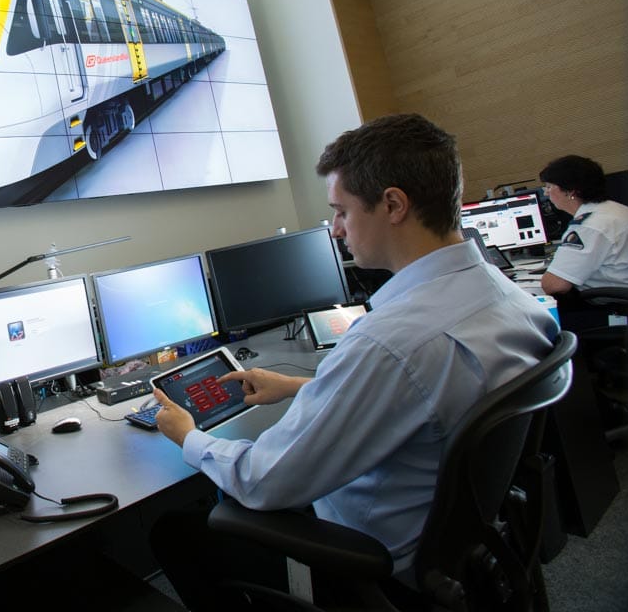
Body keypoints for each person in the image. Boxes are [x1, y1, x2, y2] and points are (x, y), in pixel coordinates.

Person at [149, 113, 559, 609]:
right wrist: (302, 387)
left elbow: (263, 480)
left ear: (392, 204)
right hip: (461, 548)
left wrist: (188, 436)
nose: (337, 230)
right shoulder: (509, 298)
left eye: (341, 211)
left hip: (375, 560)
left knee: (178, 529)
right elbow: (430, 396)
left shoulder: (389, 342)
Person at [538, 154, 628, 296]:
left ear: (570, 191)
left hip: (611, 304)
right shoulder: (617, 210)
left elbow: (554, 285)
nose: (546, 192)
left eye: (549, 186)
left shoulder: (588, 226)